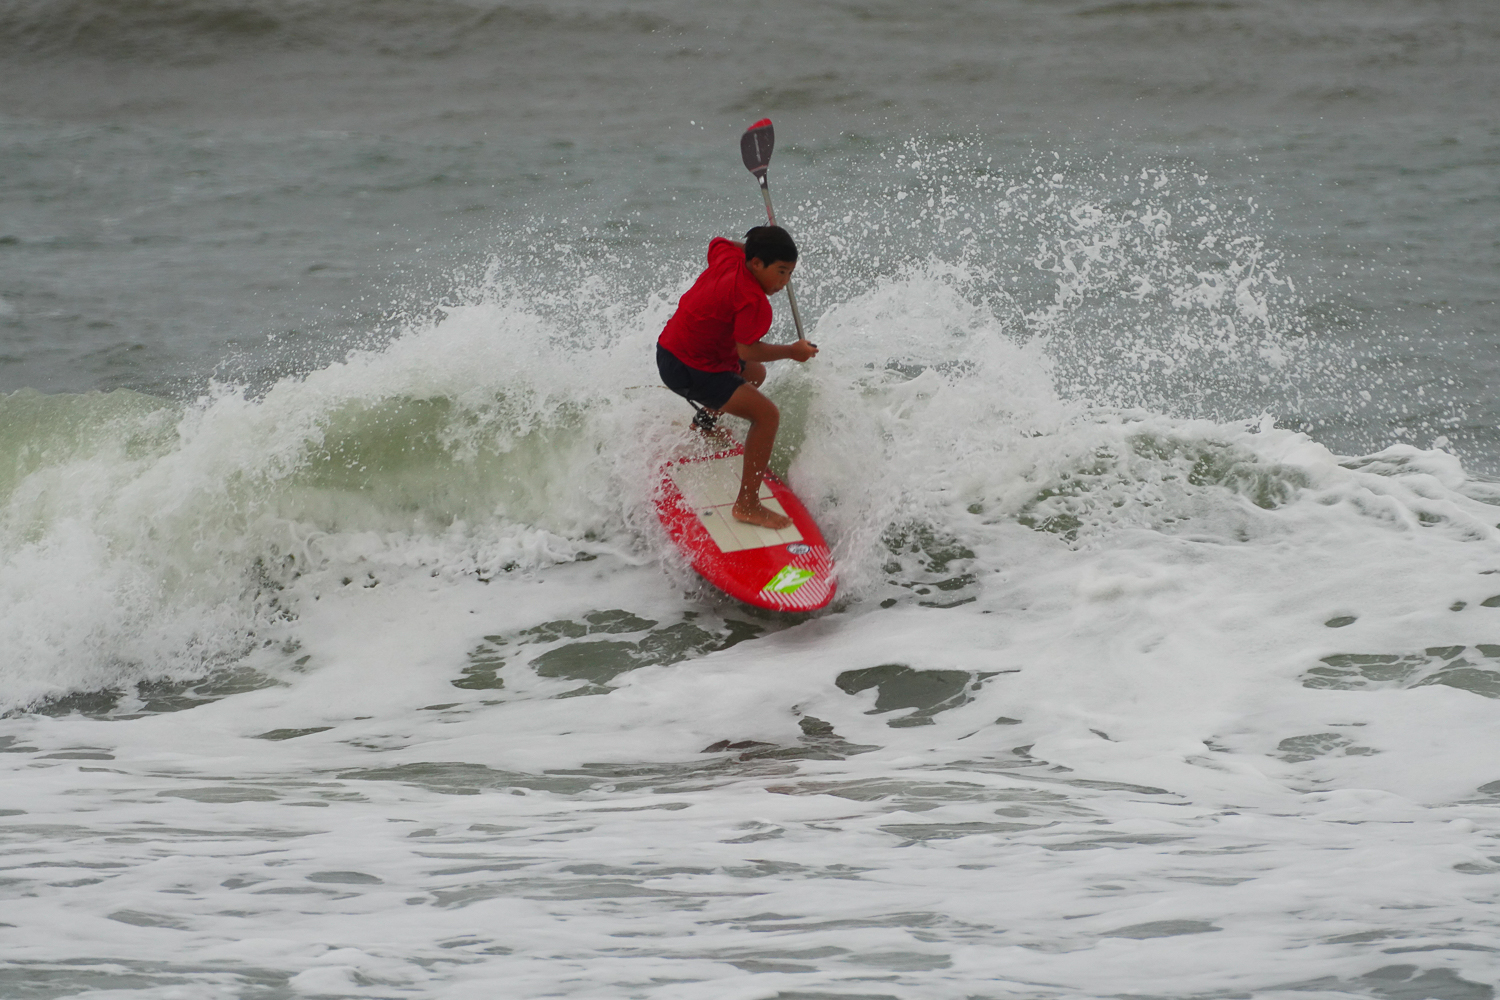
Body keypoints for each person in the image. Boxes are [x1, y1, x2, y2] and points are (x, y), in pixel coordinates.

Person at [656, 225, 818, 530]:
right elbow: (748, 349)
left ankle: (704, 422)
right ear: (756, 263)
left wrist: (759, 245)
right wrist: (792, 351)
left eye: (790, 273)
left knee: (755, 374)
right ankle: (747, 505)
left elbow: (717, 241)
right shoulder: (753, 301)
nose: (785, 282)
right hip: (691, 369)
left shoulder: (730, 257)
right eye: (781, 272)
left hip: (668, 351)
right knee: (767, 415)